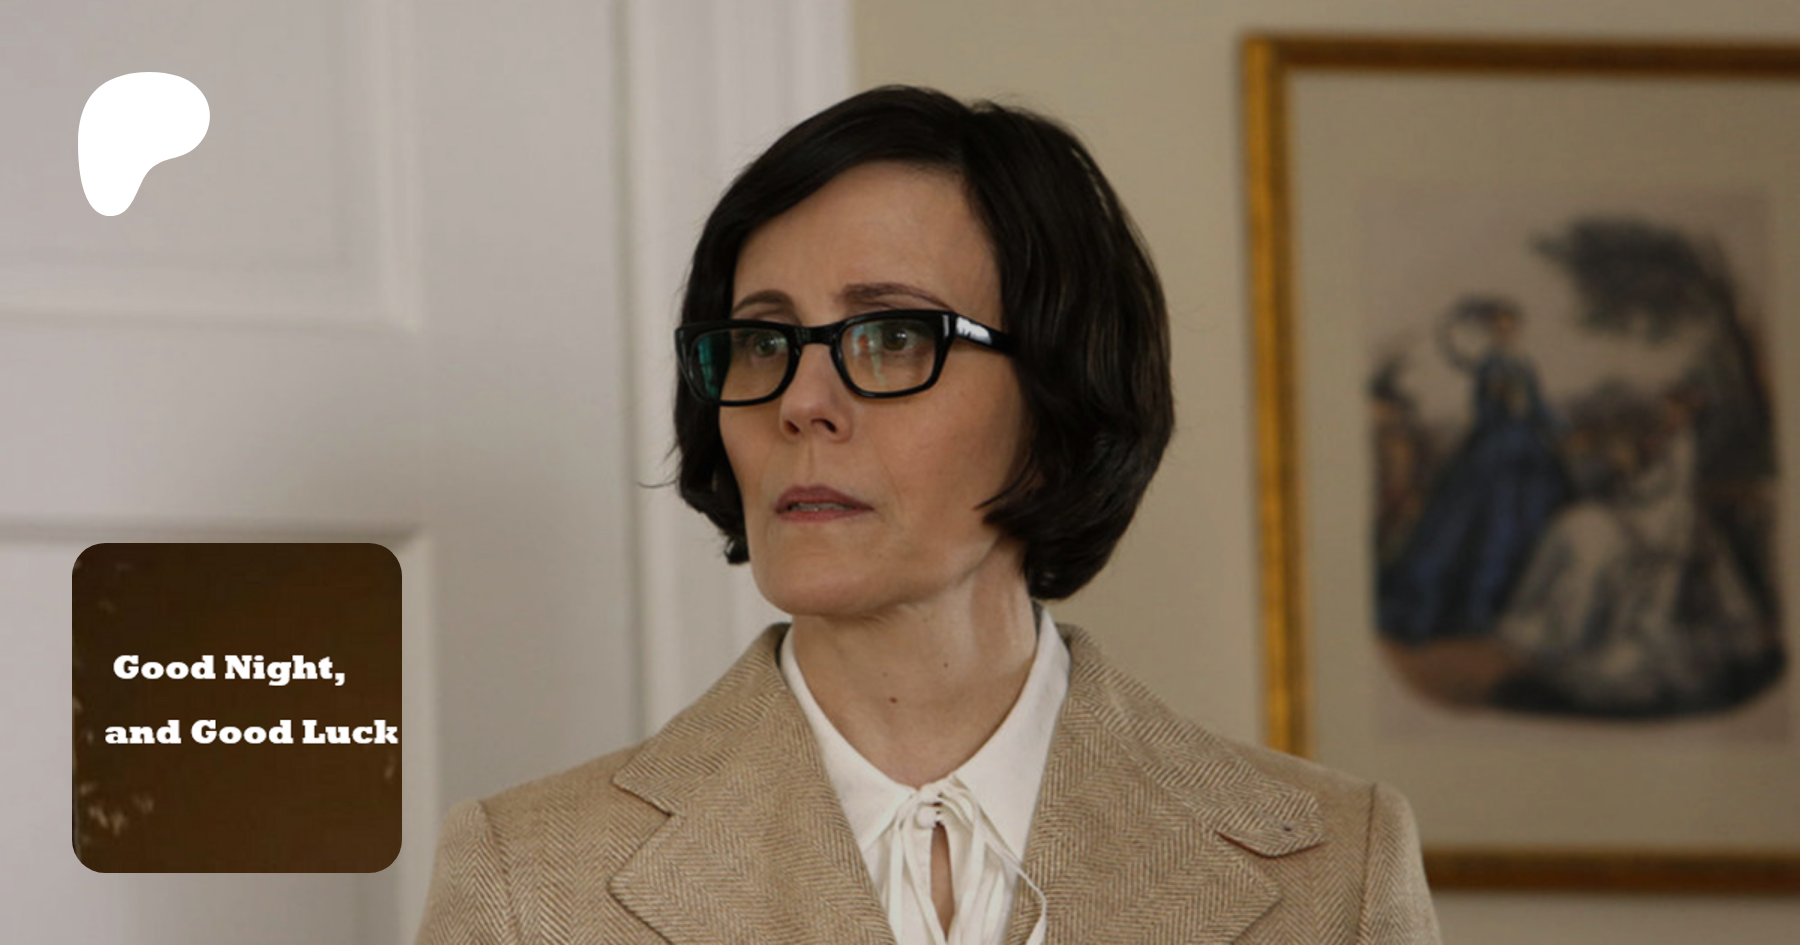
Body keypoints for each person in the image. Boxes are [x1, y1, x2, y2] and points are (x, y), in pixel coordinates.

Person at [415, 86, 1440, 945]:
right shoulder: (529, 881)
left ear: (1058, 392)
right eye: (763, 342)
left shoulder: (1337, 866)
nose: (800, 401)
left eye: (894, 336)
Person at [1378, 296, 1571, 647]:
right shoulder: (1488, 365)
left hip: (1527, 450)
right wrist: (1502, 404)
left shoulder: (1524, 363)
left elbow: (1538, 405)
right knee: (1485, 528)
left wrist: (1557, 423)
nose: (1505, 332)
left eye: (1510, 327)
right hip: (1494, 450)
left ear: (1517, 330)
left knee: (1534, 518)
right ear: (1492, 331)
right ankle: (1474, 612)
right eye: (1499, 328)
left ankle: (1515, 608)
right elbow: (1483, 414)